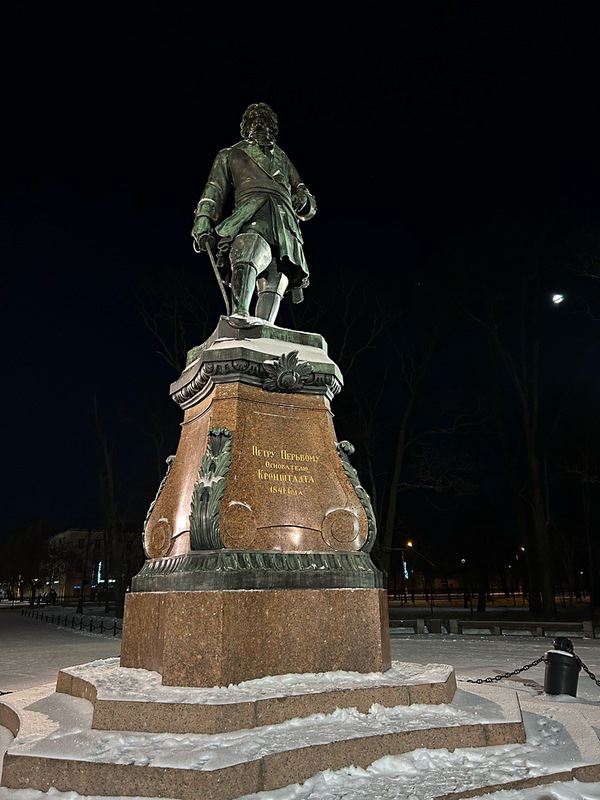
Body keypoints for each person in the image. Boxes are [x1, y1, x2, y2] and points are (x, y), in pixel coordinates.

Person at [191, 103, 317, 324]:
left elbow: (303, 192)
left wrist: (304, 200)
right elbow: (214, 189)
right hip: (252, 210)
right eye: (253, 119)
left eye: (264, 119)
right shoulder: (230, 153)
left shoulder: (283, 159)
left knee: (277, 277)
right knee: (247, 249)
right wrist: (203, 219)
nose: (258, 122)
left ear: (272, 127)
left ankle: (264, 328)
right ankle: (239, 314)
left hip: (284, 220)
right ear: (246, 126)